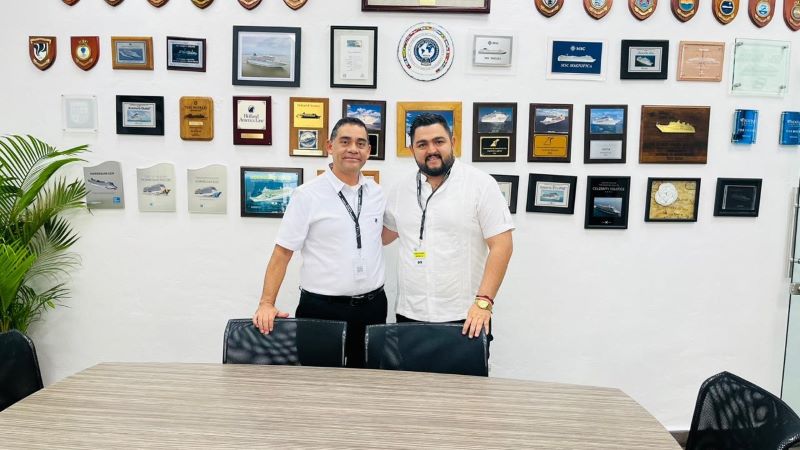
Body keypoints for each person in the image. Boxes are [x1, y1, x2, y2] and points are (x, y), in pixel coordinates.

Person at [252, 117, 386, 368]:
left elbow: (382, 234)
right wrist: (266, 303)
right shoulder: (307, 195)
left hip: (373, 308)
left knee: (368, 383)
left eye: (360, 143)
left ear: (368, 151)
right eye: (345, 142)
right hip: (322, 310)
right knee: (318, 383)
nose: (353, 149)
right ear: (330, 146)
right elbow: (282, 253)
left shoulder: (376, 193)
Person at [382, 113, 514, 342]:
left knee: (465, 369)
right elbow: (384, 236)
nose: (431, 150)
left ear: (452, 142)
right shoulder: (400, 190)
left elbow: (502, 245)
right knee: (409, 368)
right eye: (422, 144)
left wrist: (484, 302)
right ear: (412, 149)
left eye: (439, 141)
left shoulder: (481, 184)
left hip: (466, 315)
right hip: (410, 313)